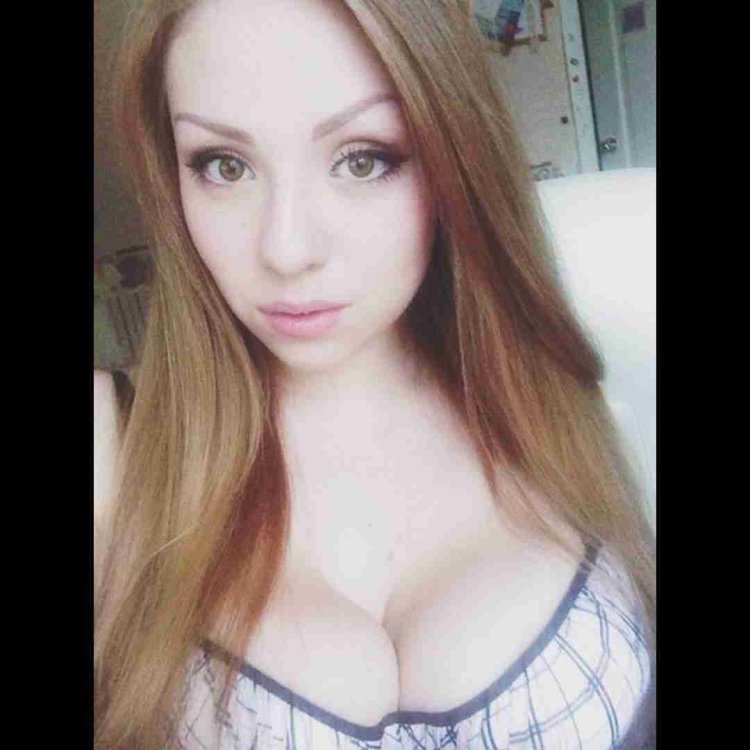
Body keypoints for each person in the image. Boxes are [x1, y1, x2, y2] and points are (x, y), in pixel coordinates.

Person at [94, 0, 656, 748]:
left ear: (456, 158)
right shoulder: (109, 452)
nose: (287, 250)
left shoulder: (553, 395)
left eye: (363, 158)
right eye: (224, 165)